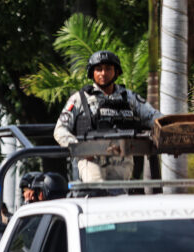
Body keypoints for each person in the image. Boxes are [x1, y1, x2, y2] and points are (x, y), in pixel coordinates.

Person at [54, 50, 162, 182]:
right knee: (97, 195)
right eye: (98, 69)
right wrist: (80, 149)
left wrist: (172, 130)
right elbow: (60, 130)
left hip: (122, 158)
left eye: (108, 69)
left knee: (120, 198)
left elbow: (154, 117)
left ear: (116, 72)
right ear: (91, 72)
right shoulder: (79, 99)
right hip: (92, 158)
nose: (103, 73)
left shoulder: (129, 97)